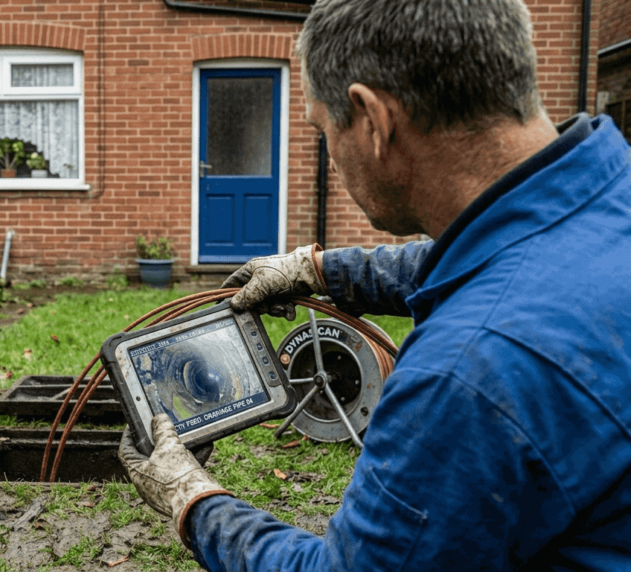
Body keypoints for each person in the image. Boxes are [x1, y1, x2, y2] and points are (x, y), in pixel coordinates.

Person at [118, 0, 631, 570]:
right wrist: (320, 270)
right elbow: (503, 255)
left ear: (372, 120)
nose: (331, 154)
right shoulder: (606, 190)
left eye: (322, 130)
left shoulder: (465, 372)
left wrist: (193, 501)